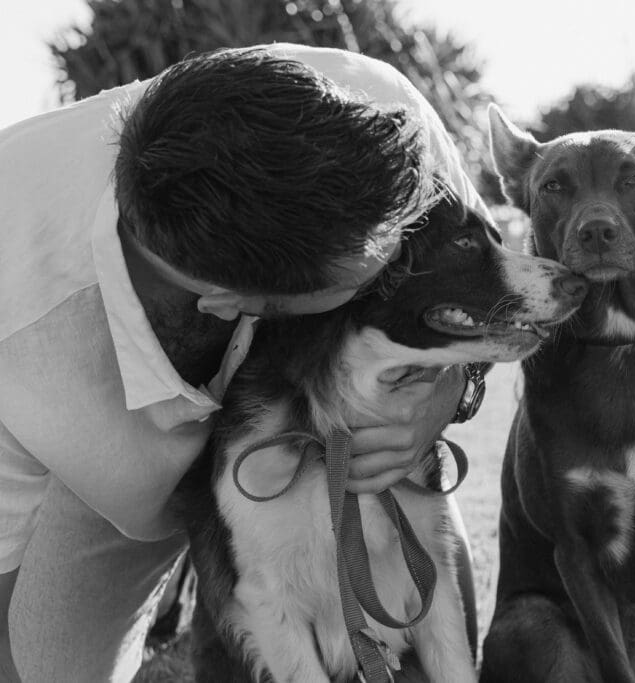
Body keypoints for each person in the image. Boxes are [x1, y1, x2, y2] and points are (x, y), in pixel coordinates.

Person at [0, 44, 487, 682]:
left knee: (431, 629)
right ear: (240, 305)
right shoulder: (19, 320)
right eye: (377, 266)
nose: (403, 256)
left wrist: (441, 395)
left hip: (348, 426)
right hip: (98, 466)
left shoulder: (377, 113)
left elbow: (484, 289)